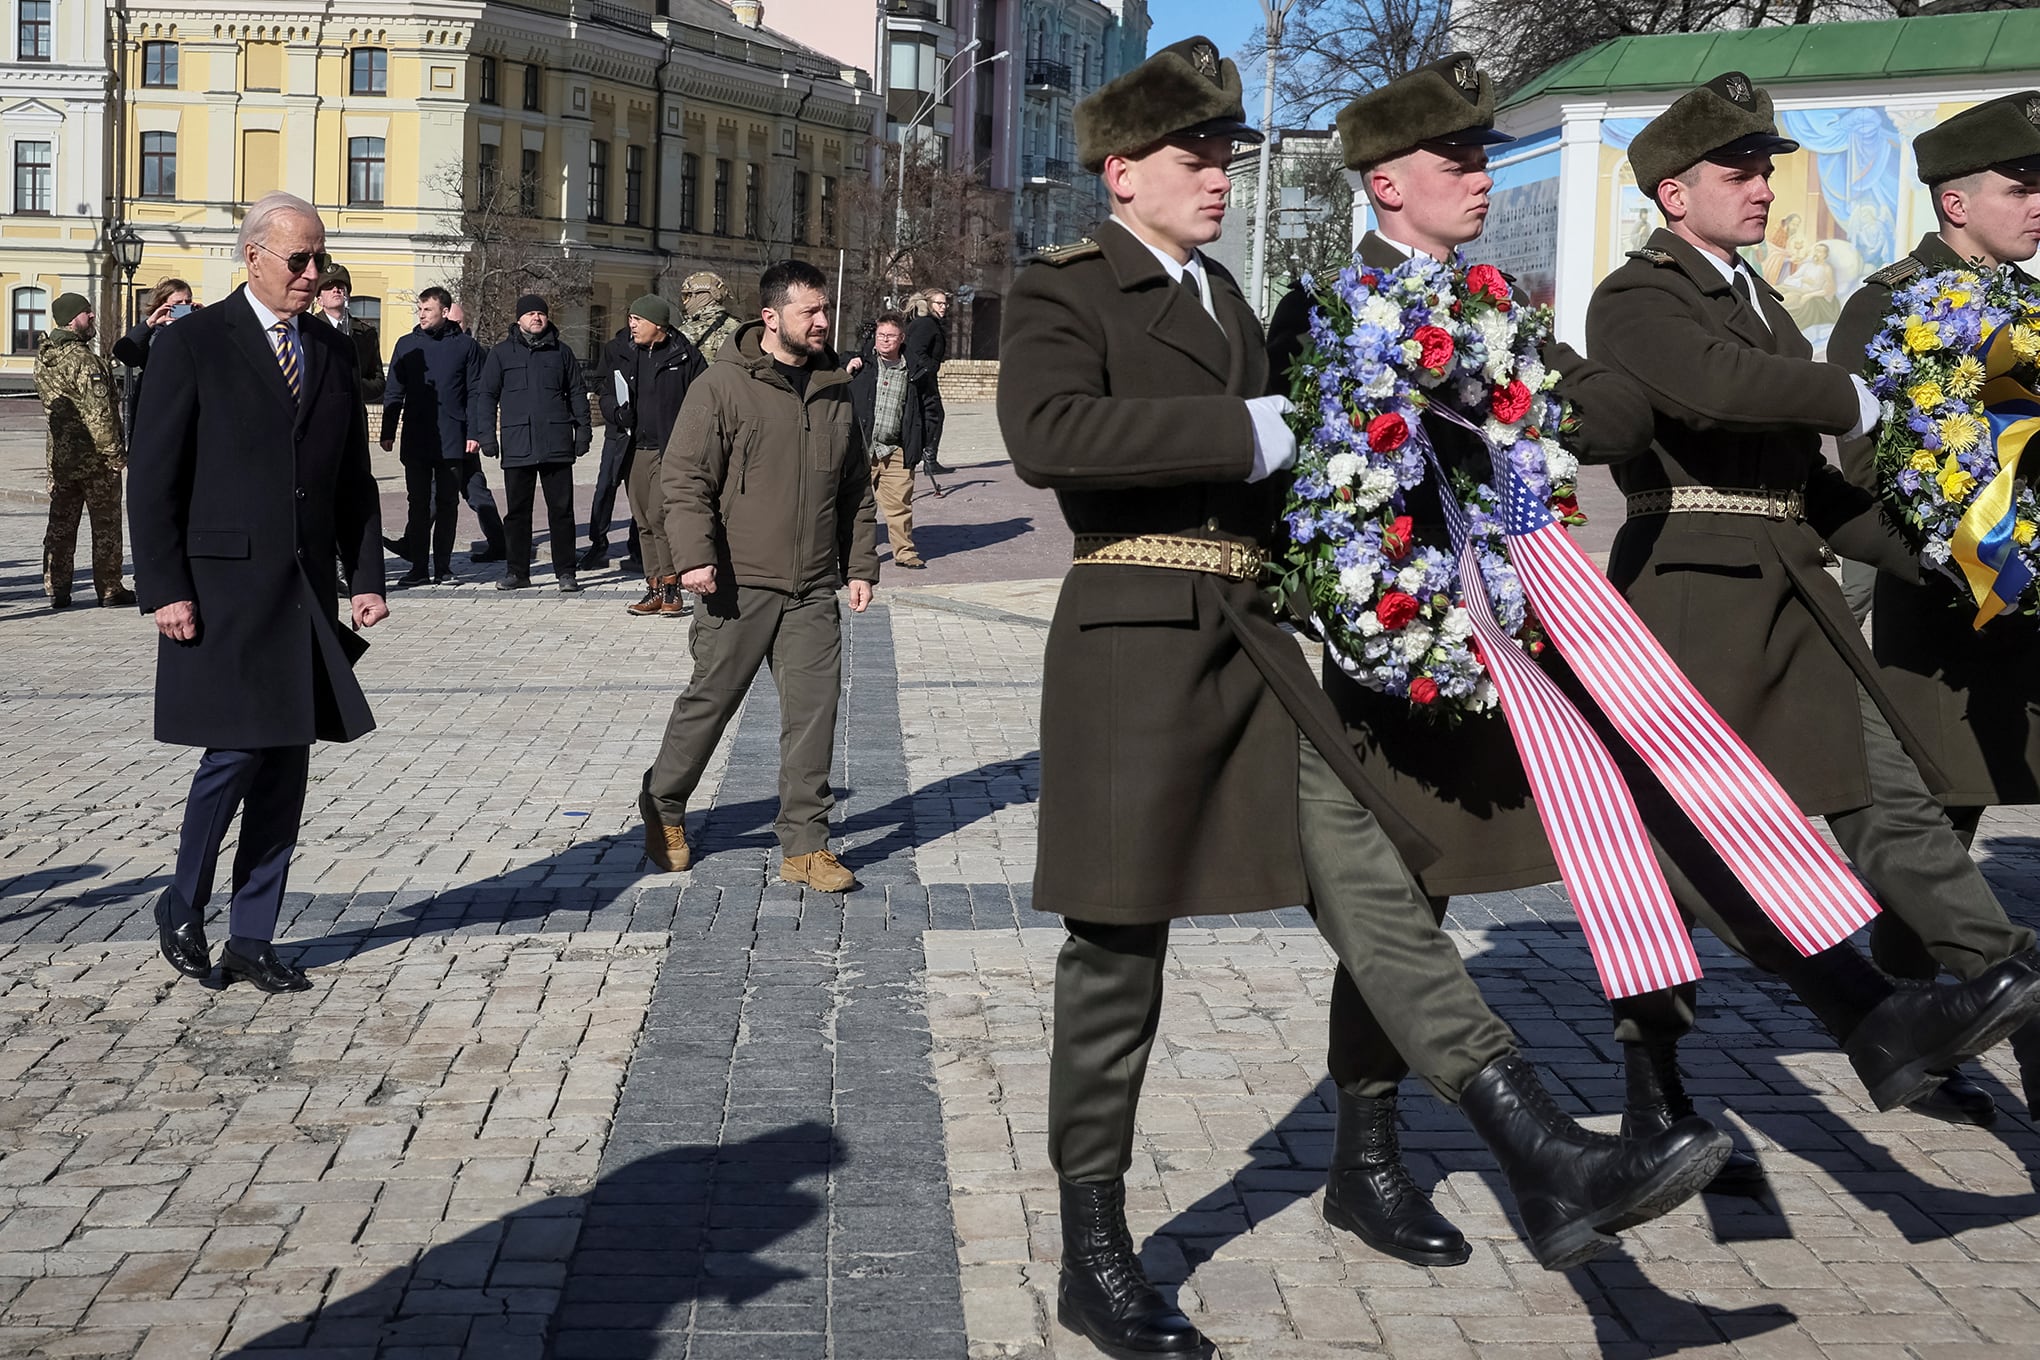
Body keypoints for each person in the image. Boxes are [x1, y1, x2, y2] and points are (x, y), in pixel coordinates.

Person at [1003, 38, 1731, 1359]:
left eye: (1225, 152)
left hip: (1264, 645)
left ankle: (1539, 1141)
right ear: (1120, 172)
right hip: (1135, 638)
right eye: (1194, 155)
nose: (1219, 174)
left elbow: (1325, 480)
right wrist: (1254, 431)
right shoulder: (1065, 289)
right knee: (1117, 949)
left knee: (1378, 882)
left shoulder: (1230, 297)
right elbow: (1049, 437)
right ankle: (1093, 1248)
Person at [1263, 58, 2040, 1271]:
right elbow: (1309, 494)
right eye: (1459, 159)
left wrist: (1531, 391)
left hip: (1519, 629)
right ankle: (1370, 1157)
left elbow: (1599, 412)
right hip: (1407, 645)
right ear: (1385, 184)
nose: (1478, 174)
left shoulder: (1495, 305)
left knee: (1665, 837)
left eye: (1481, 155)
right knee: (1414, 899)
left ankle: (1859, 1018)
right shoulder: (1323, 312)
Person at [1584, 70, 2040, 1127]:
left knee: (1892, 802)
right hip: (1689, 602)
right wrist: (1853, 391)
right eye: (1737, 170)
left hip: (1796, 598)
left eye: (1767, 168)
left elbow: (1823, 491)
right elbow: (1712, 385)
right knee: (1676, 857)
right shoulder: (1637, 296)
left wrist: (1961, 556)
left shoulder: (1763, 302)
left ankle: (1997, 975)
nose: (1760, 187)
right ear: (1672, 195)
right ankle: (1657, 1088)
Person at [1827, 92, 2040, 1120]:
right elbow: (1871, 465)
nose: (2038, 203)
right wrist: (1981, 555)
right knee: (1940, 819)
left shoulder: (2029, 304)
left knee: (1961, 814)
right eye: (2020, 186)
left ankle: (1933, 1021)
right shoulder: (1893, 301)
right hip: (1944, 617)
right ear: (1956, 200)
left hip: (2029, 618)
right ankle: (1941, 1021)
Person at [126, 190, 387, 994]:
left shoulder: (332, 351)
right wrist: (164, 587)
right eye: (299, 261)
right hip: (221, 588)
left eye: (320, 260)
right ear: (254, 258)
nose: (315, 275)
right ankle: (183, 900)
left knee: (286, 766)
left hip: (302, 590)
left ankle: (251, 936)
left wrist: (366, 575)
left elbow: (351, 479)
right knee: (234, 753)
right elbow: (154, 476)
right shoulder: (195, 343)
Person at [640, 260, 879, 893]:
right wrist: (692, 556)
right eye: (809, 311)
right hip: (735, 583)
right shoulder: (721, 386)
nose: (822, 320)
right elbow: (684, 478)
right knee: (710, 703)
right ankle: (664, 803)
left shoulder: (835, 389)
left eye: (825, 309)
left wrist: (859, 565)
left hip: (810, 588)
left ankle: (806, 844)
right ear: (771, 318)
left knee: (814, 715)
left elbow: (856, 487)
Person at [470, 293, 592, 592]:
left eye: (541, 313)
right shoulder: (500, 354)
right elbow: (486, 396)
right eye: (530, 314)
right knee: (517, 514)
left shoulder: (562, 353)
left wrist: (584, 432)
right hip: (517, 443)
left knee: (561, 512)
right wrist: (486, 435)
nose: (536, 318)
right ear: (519, 319)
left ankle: (566, 572)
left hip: (556, 443)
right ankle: (517, 572)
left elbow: (577, 393)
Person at [382, 286, 488, 584]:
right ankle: (418, 568)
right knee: (418, 505)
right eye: (420, 309)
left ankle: (443, 567)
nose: (421, 314)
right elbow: (394, 391)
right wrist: (388, 431)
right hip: (416, 437)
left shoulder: (466, 347)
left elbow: (475, 392)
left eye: (427, 309)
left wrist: (474, 432)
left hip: (454, 438)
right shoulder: (407, 345)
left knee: (447, 504)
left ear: (444, 311)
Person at [35, 292, 135, 609]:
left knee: (61, 526)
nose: (92, 317)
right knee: (105, 527)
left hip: (61, 460)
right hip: (95, 462)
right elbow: (100, 415)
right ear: (72, 318)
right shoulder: (84, 362)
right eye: (86, 313)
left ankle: (57, 587)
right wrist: (116, 456)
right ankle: (109, 588)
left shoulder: (44, 358)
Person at [617, 294, 708, 619]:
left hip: (670, 449)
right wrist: (617, 414)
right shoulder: (628, 352)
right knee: (642, 518)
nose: (632, 325)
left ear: (658, 324)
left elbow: (703, 403)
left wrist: (691, 441)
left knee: (659, 516)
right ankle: (654, 588)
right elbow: (607, 387)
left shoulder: (685, 357)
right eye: (630, 319)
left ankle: (672, 589)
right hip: (635, 448)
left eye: (637, 320)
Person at [848, 311, 926, 570]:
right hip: (862, 449)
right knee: (855, 506)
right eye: (881, 335)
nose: (884, 340)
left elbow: (931, 408)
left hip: (896, 448)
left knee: (900, 507)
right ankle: (850, 555)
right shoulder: (862, 365)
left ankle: (904, 553)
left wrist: (922, 440)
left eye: (890, 336)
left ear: (901, 338)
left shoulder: (914, 370)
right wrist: (848, 366)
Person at [584, 319, 642, 575]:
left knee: (641, 491)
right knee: (605, 487)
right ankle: (598, 543)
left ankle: (638, 547)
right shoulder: (614, 347)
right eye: (633, 319)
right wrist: (615, 402)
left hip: (643, 431)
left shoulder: (659, 347)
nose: (635, 324)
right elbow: (598, 382)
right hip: (616, 429)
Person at [111, 277, 195, 434]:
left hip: (188, 403)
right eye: (178, 303)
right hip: (156, 403)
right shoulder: (151, 333)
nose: (185, 307)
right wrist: (150, 323)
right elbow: (124, 352)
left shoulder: (197, 331)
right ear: (164, 304)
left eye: (188, 302)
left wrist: (206, 321)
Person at [311, 263, 386, 404]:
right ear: (319, 299)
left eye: (341, 287)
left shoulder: (365, 333)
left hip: (354, 414)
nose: (336, 290)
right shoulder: (310, 329)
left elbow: (378, 383)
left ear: (348, 295)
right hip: (321, 412)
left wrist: (353, 383)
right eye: (328, 287)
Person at [904, 288, 951, 473]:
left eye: (945, 303)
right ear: (928, 304)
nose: (944, 307)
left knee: (929, 415)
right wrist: (930, 367)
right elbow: (916, 350)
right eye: (939, 303)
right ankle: (929, 459)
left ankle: (929, 458)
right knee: (934, 414)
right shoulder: (926, 324)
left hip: (924, 375)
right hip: (922, 377)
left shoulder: (928, 323)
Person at [678, 270, 745, 361]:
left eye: (688, 295)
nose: (685, 302)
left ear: (702, 296)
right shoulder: (739, 328)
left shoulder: (688, 330)